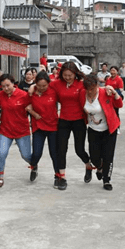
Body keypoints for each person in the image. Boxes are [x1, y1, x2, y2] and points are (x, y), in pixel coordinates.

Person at [45, 62, 93, 190]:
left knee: (79, 150)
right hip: (63, 120)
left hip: (79, 120)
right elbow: (43, 85)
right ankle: (62, 177)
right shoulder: (56, 84)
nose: (67, 78)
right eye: (65, 75)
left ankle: (88, 165)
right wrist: (33, 87)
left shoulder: (82, 84)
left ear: (75, 74)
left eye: (70, 75)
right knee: (61, 149)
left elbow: (96, 89)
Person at [81, 74, 122, 190]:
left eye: (92, 88)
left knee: (108, 156)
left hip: (109, 129)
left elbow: (119, 104)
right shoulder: (82, 94)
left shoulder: (105, 92)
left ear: (97, 85)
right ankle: (99, 167)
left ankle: (106, 180)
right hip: (93, 129)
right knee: (94, 157)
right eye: (87, 89)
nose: (90, 91)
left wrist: (114, 93)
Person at [0, 73, 32, 188]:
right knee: (1, 153)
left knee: (26, 155)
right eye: (3, 86)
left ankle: (34, 165)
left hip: (22, 130)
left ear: (13, 84)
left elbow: (32, 108)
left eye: (8, 85)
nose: (6, 88)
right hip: (5, 130)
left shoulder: (23, 95)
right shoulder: (0, 95)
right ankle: (0, 177)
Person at [27, 71, 60, 187]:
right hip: (38, 126)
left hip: (53, 126)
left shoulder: (54, 91)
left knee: (54, 154)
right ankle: (34, 166)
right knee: (36, 153)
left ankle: (57, 176)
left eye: (44, 85)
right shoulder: (32, 93)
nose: (41, 88)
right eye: (39, 85)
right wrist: (33, 113)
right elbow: (26, 106)